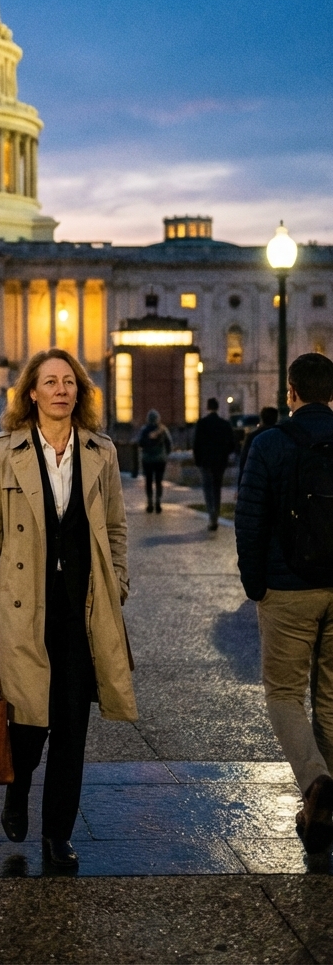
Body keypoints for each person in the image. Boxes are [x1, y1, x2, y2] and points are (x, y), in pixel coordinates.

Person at [0, 348, 136, 870]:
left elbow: (115, 527)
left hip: (83, 608)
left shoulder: (101, 451)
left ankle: (56, 835)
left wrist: (119, 584)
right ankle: (17, 791)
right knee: (27, 724)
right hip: (24, 606)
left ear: (79, 393)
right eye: (51, 382)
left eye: (70, 382)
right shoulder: (2, 452)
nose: (62, 390)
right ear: (32, 393)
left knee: (70, 727)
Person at [235, 353, 333, 858]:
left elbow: (250, 518)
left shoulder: (269, 443)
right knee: (332, 699)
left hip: (287, 586)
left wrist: (256, 584)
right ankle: (328, 810)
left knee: (284, 695)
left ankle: (316, 784)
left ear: (290, 393)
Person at [193, 397, 235, 530]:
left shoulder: (202, 423)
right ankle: (215, 514)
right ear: (217, 408)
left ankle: (211, 515)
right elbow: (232, 443)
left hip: (205, 461)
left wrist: (198, 460)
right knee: (217, 488)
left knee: (207, 488)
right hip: (220, 462)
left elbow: (196, 444)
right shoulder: (224, 424)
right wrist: (225, 455)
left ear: (207, 407)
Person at [137, 409, 172, 513]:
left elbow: (140, 443)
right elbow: (169, 443)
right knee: (159, 481)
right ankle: (158, 503)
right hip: (160, 459)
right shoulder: (163, 429)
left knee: (148, 482)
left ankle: (150, 503)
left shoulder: (144, 430)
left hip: (147, 459)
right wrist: (165, 454)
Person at [239, 407, 278, 481]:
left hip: (256, 476)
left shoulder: (253, 437)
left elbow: (244, 460)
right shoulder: (280, 437)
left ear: (262, 419)